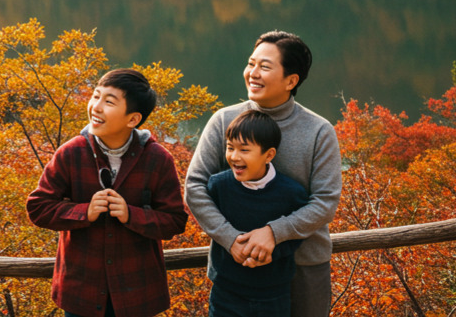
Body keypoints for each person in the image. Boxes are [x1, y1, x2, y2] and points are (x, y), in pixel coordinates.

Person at [184, 31, 342, 317]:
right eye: (251, 63)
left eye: (265, 67)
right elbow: (195, 187)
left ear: (291, 80)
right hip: (236, 267)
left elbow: (326, 202)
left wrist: (273, 233)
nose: (252, 73)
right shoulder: (225, 121)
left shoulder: (319, 131)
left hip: (303, 268)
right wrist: (231, 239)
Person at [25, 69, 189, 317]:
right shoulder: (71, 153)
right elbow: (38, 207)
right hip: (82, 292)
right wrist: (84, 212)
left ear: (133, 119)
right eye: (96, 96)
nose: (96, 107)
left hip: (137, 293)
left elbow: (175, 221)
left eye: (109, 101)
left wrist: (130, 215)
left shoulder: (157, 159)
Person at [203, 110, 310, 317]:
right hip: (225, 292)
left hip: (273, 295)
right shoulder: (218, 186)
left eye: (244, 150)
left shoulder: (291, 193)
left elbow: (298, 234)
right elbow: (210, 220)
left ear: (268, 154)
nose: (234, 156)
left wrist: (270, 253)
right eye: (230, 148)